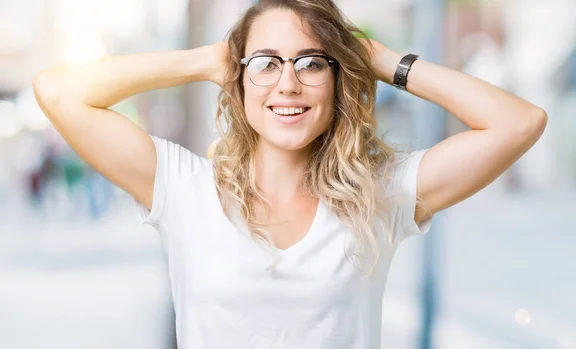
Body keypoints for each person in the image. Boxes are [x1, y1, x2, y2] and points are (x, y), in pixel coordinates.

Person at [32, 0, 547, 348]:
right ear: (238, 79)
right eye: (265, 63)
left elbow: (519, 123)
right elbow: (58, 93)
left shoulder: (381, 193)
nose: (288, 84)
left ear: (336, 80)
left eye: (311, 63)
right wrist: (208, 59)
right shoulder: (184, 188)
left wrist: (383, 60)